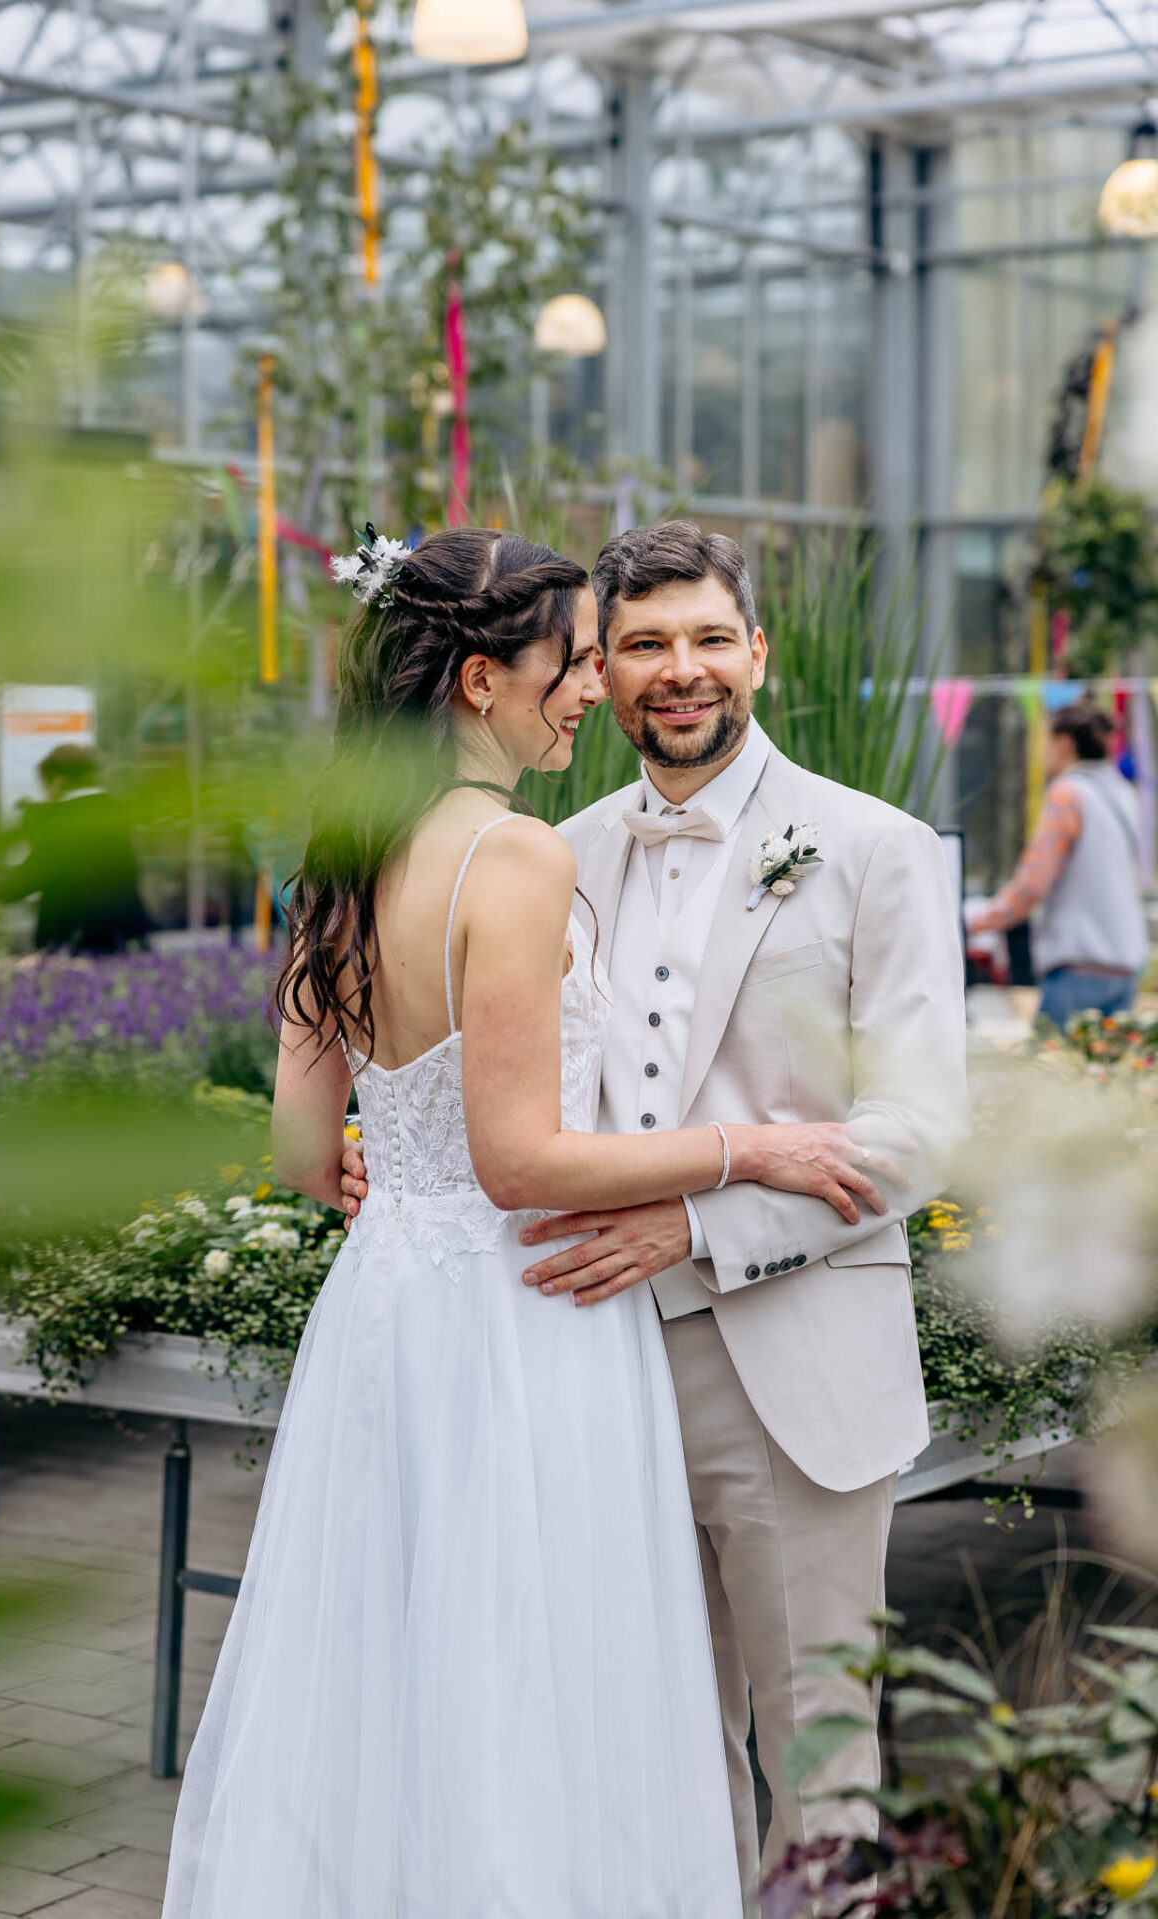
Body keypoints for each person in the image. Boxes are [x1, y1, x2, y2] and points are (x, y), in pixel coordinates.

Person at [161, 527, 904, 1919]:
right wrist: (760, 1144)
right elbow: (519, 1161)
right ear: (479, 679)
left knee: (398, 1668)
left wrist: (406, 1177)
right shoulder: (514, 854)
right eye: (572, 661)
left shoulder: (344, 847)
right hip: (524, 1309)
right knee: (540, 1678)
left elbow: (300, 1146)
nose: (589, 693)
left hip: (390, 1312)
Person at [347, 522, 969, 1900]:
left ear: (758, 650)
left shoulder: (876, 849)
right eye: (640, 644)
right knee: (631, 1755)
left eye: (705, 637)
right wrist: (372, 1153)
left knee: (822, 1767)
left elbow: (920, 1131)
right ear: (599, 673)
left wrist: (697, 1227)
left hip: (796, 1374)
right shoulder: (542, 851)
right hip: (579, 1367)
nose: (677, 670)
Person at [966, 699, 1147, 1028]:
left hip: (1078, 969)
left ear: (1063, 742)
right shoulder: (1125, 794)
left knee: (1049, 1074)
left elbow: (1033, 883)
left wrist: (973, 923)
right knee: (1104, 1075)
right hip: (1125, 967)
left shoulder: (1068, 794)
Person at [0, 744, 150, 953]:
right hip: (124, 932)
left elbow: (30, 877)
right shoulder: (117, 809)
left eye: (44, 785)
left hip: (72, 935)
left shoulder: (58, 818)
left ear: (58, 781)